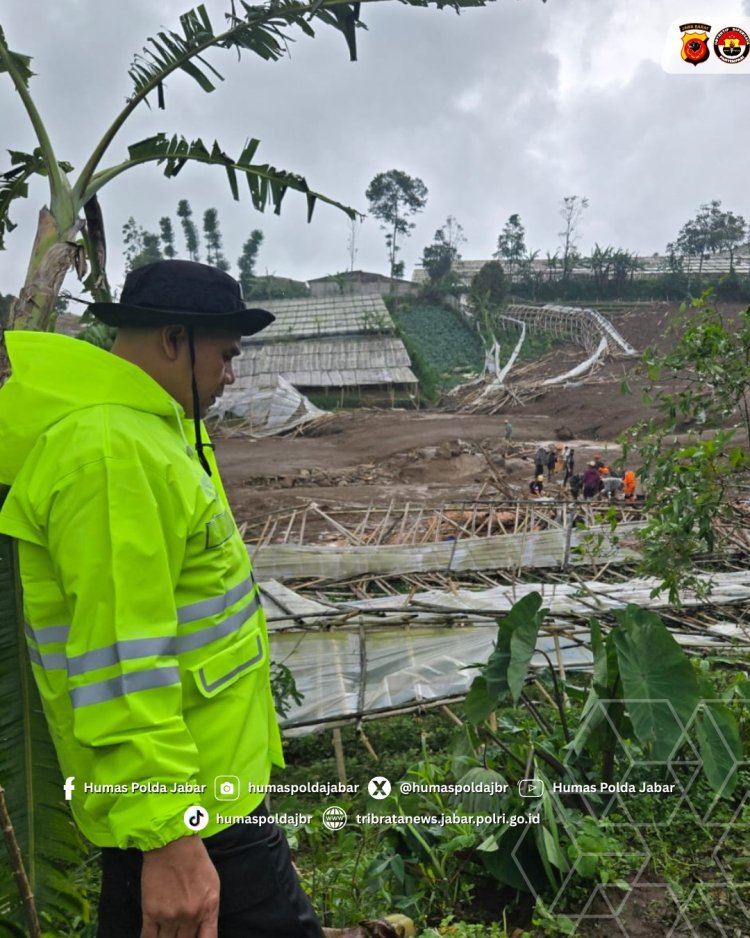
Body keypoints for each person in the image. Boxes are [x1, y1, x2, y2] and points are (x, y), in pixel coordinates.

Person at [0, 261, 326, 938]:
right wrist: (171, 837)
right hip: (195, 812)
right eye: (226, 355)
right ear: (176, 340)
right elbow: (123, 660)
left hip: (202, 798)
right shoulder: (113, 453)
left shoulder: (143, 433)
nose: (231, 375)